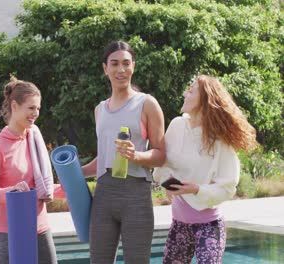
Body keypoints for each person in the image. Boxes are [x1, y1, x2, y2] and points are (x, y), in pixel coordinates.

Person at [153, 75, 257, 263]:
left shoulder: (220, 140)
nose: (185, 93)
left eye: (191, 91)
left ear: (205, 100)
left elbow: (227, 187)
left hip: (209, 226)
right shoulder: (176, 125)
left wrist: (197, 189)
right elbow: (163, 165)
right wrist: (167, 183)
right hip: (179, 224)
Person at [81, 40, 166, 263]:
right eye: (115, 63)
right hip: (104, 195)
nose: (121, 70)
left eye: (126, 63)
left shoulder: (147, 104)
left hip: (136, 195)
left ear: (133, 66)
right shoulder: (100, 109)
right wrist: (75, 173)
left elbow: (161, 155)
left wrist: (135, 156)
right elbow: (105, 156)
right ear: (105, 68)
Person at [0, 77, 64, 264]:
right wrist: (12, 192)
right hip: (11, 232)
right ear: (14, 106)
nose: (35, 113)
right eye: (31, 108)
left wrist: (72, 189)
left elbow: (42, 187)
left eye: (38, 108)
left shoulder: (34, 139)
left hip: (40, 229)